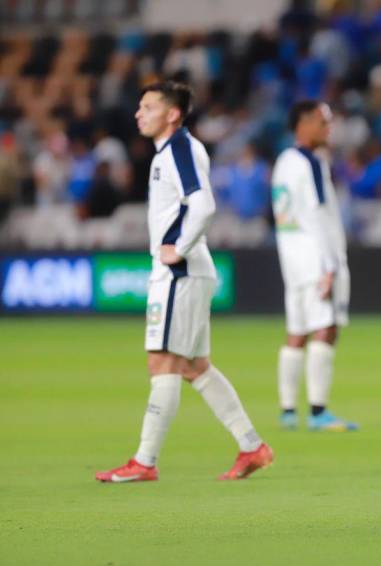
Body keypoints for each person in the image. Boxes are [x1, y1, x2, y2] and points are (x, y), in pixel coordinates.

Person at [96, 81, 272, 483]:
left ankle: (145, 461)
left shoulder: (178, 148)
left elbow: (204, 203)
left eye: (148, 107)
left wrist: (178, 246)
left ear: (172, 113)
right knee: (195, 367)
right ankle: (252, 446)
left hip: (180, 271)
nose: (139, 113)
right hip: (187, 270)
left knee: (163, 363)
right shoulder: (169, 152)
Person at [272, 101, 357, 432]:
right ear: (304, 124)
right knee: (326, 326)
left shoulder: (283, 161)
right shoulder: (309, 162)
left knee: (296, 330)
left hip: (291, 258)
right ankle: (319, 411)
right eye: (324, 122)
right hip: (315, 257)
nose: (329, 129)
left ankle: (288, 410)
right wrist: (329, 265)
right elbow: (315, 214)